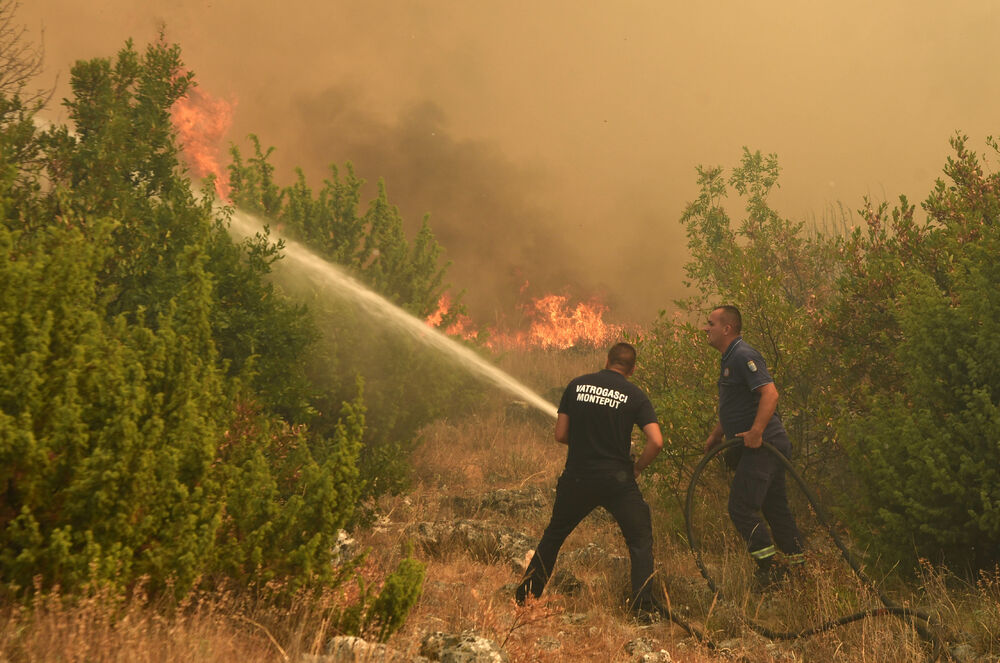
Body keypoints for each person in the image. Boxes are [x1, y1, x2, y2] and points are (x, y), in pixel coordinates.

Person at [516, 342, 664, 616]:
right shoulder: (635, 395)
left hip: (578, 478)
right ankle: (643, 608)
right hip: (618, 482)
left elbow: (560, 434)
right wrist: (638, 467)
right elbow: (656, 441)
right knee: (640, 541)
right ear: (632, 369)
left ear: (607, 360)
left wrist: (586, 443)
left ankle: (525, 599)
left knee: (554, 536)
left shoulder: (577, 385)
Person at [702, 305, 804, 589]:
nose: (705, 328)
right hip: (764, 445)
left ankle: (770, 569)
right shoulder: (729, 358)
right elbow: (737, 404)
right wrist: (716, 435)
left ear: (727, 328)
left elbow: (770, 394)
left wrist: (757, 432)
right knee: (775, 509)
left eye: (710, 323)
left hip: (764, 445)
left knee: (741, 508)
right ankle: (800, 569)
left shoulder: (744, 355)